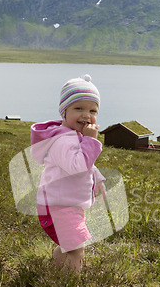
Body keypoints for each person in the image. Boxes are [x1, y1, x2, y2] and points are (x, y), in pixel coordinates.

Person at [30, 74, 105, 273]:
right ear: (64, 111)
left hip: (65, 205)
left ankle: (54, 276)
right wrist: (90, 141)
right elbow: (77, 165)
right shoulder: (62, 140)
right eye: (78, 108)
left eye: (92, 110)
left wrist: (98, 178)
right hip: (59, 207)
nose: (86, 115)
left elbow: (84, 165)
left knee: (68, 247)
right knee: (76, 250)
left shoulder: (73, 137)